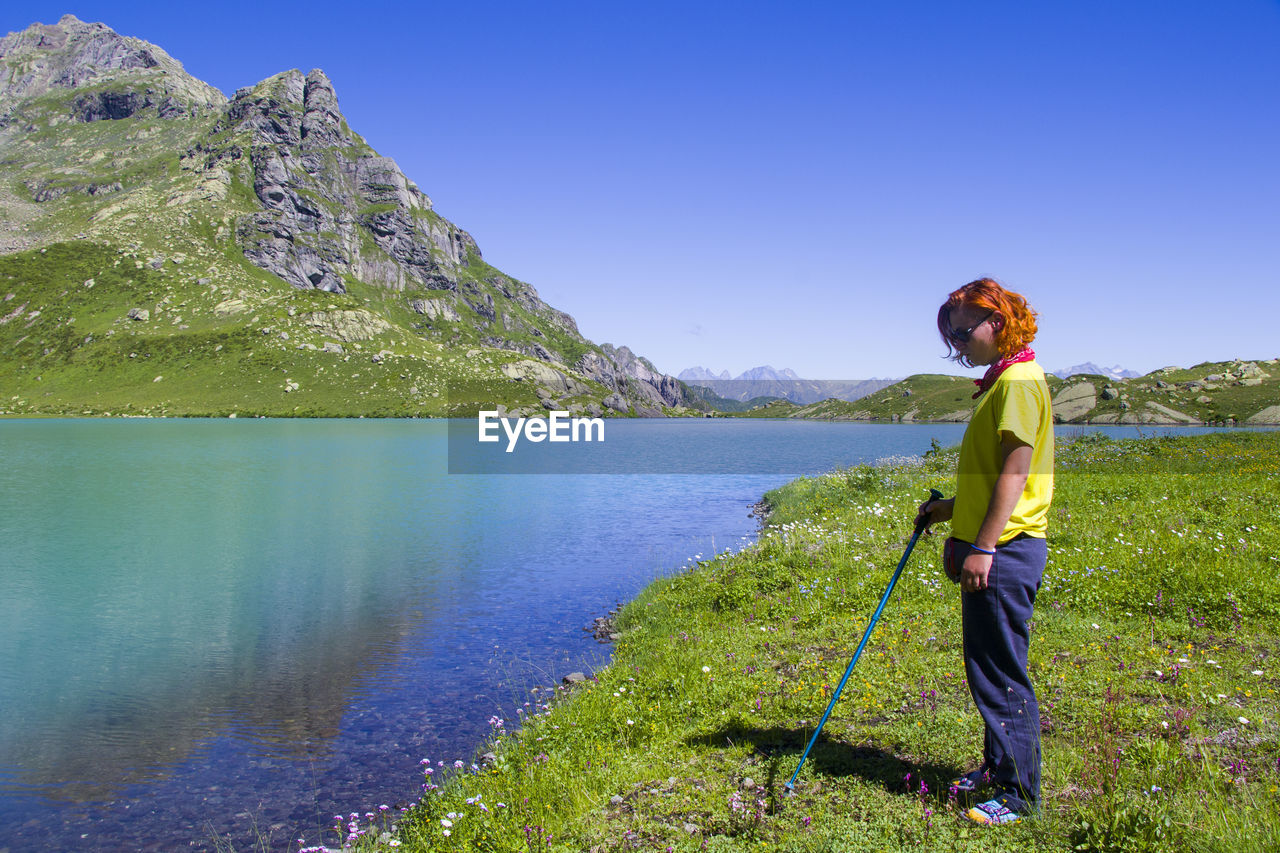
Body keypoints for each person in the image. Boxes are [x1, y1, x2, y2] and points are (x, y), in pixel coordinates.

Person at [916, 277, 1054, 826]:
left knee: (1000, 672)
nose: (958, 346)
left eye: (963, 332)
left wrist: (984, 548)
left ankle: (1019, 797)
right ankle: (999, 771)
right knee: (990, 666)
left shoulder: (1017, 382)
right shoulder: (1006, 379)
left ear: (996, 320)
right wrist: (949, 507)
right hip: (998, 543)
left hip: (1006, 549)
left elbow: (1016, 473)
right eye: (951, 337)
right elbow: (993, 471)